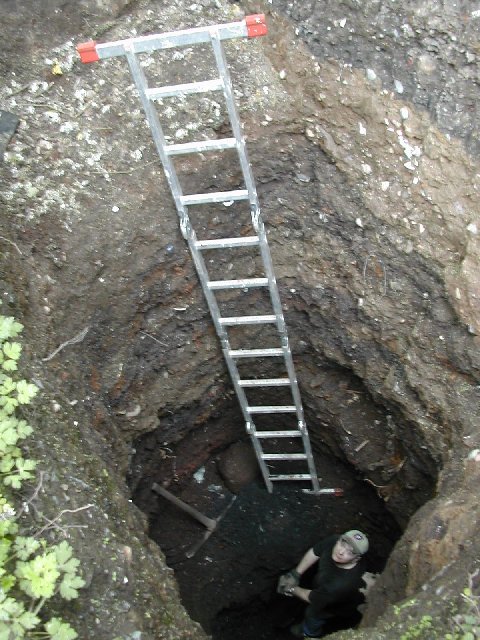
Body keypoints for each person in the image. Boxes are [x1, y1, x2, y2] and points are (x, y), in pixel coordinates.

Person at [277, 530, 369, 639]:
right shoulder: (334, 541)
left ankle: (309, 633)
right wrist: (295, 574)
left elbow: (313, 598)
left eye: (350, 552)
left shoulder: (342, 584)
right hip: (321, 589)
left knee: (313, 614)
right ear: (340, 539)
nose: (341, 551)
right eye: (342, 543)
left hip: (335, 605)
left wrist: (290, 588)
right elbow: (315, 552)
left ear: (356, 559)